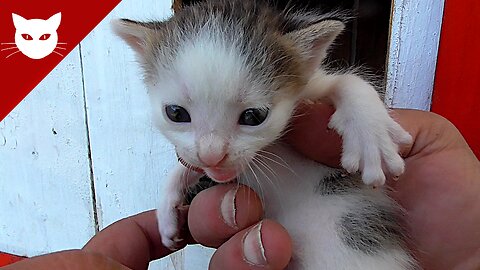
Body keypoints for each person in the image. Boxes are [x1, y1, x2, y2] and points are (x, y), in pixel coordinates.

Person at [3, 106, 480, 270]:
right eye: (178, 115)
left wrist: (363, 118)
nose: (210, 150)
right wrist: (176, 187)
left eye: (249, 115)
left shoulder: (309, 105)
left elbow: (338, 84)